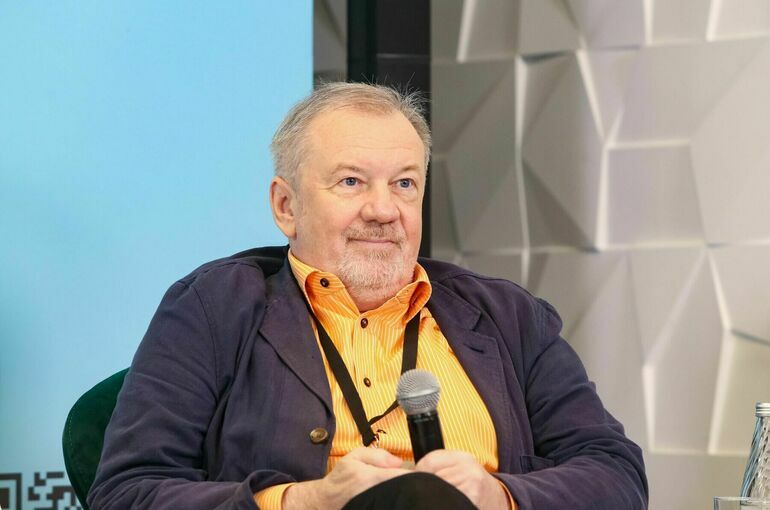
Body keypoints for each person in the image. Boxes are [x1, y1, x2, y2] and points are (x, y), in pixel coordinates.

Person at [87, 83, 648, 510]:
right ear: (286, 206)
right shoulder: (214, 308)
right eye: (351, 182)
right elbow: (126, 491)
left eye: (404, 183)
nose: (383, 210)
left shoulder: (509, 316)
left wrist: (498, 495)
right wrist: (308, 502)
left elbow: (616, 473)